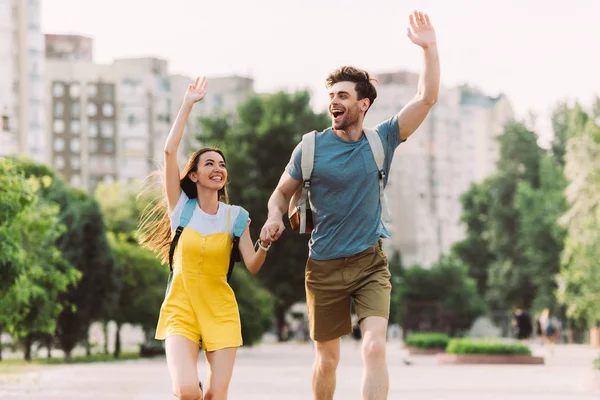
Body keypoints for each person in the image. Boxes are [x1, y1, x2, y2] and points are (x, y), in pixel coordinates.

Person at [260, 10, 439, 400]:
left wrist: (429, 48)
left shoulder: (382, 141)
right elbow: (279, 193)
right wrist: (275, 214)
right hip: (322, 266)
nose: (334, 103)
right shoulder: (310, 147)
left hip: (369, 262)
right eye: (331, 97)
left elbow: (426, 98)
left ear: (364, 104)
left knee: (374, 346)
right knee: (327, 361)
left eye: (342, 95)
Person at [138, 76, 272, 400]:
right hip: (180, 308)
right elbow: (170, 152)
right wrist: (186, 104)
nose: (218, 168)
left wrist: (265, 243)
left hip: (221, 310)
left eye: (222, 164)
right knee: (187, 391)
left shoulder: (235, 216)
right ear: (194, 175)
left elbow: (252, 264)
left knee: (215, 394)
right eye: (209, 163)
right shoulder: (180, 209)